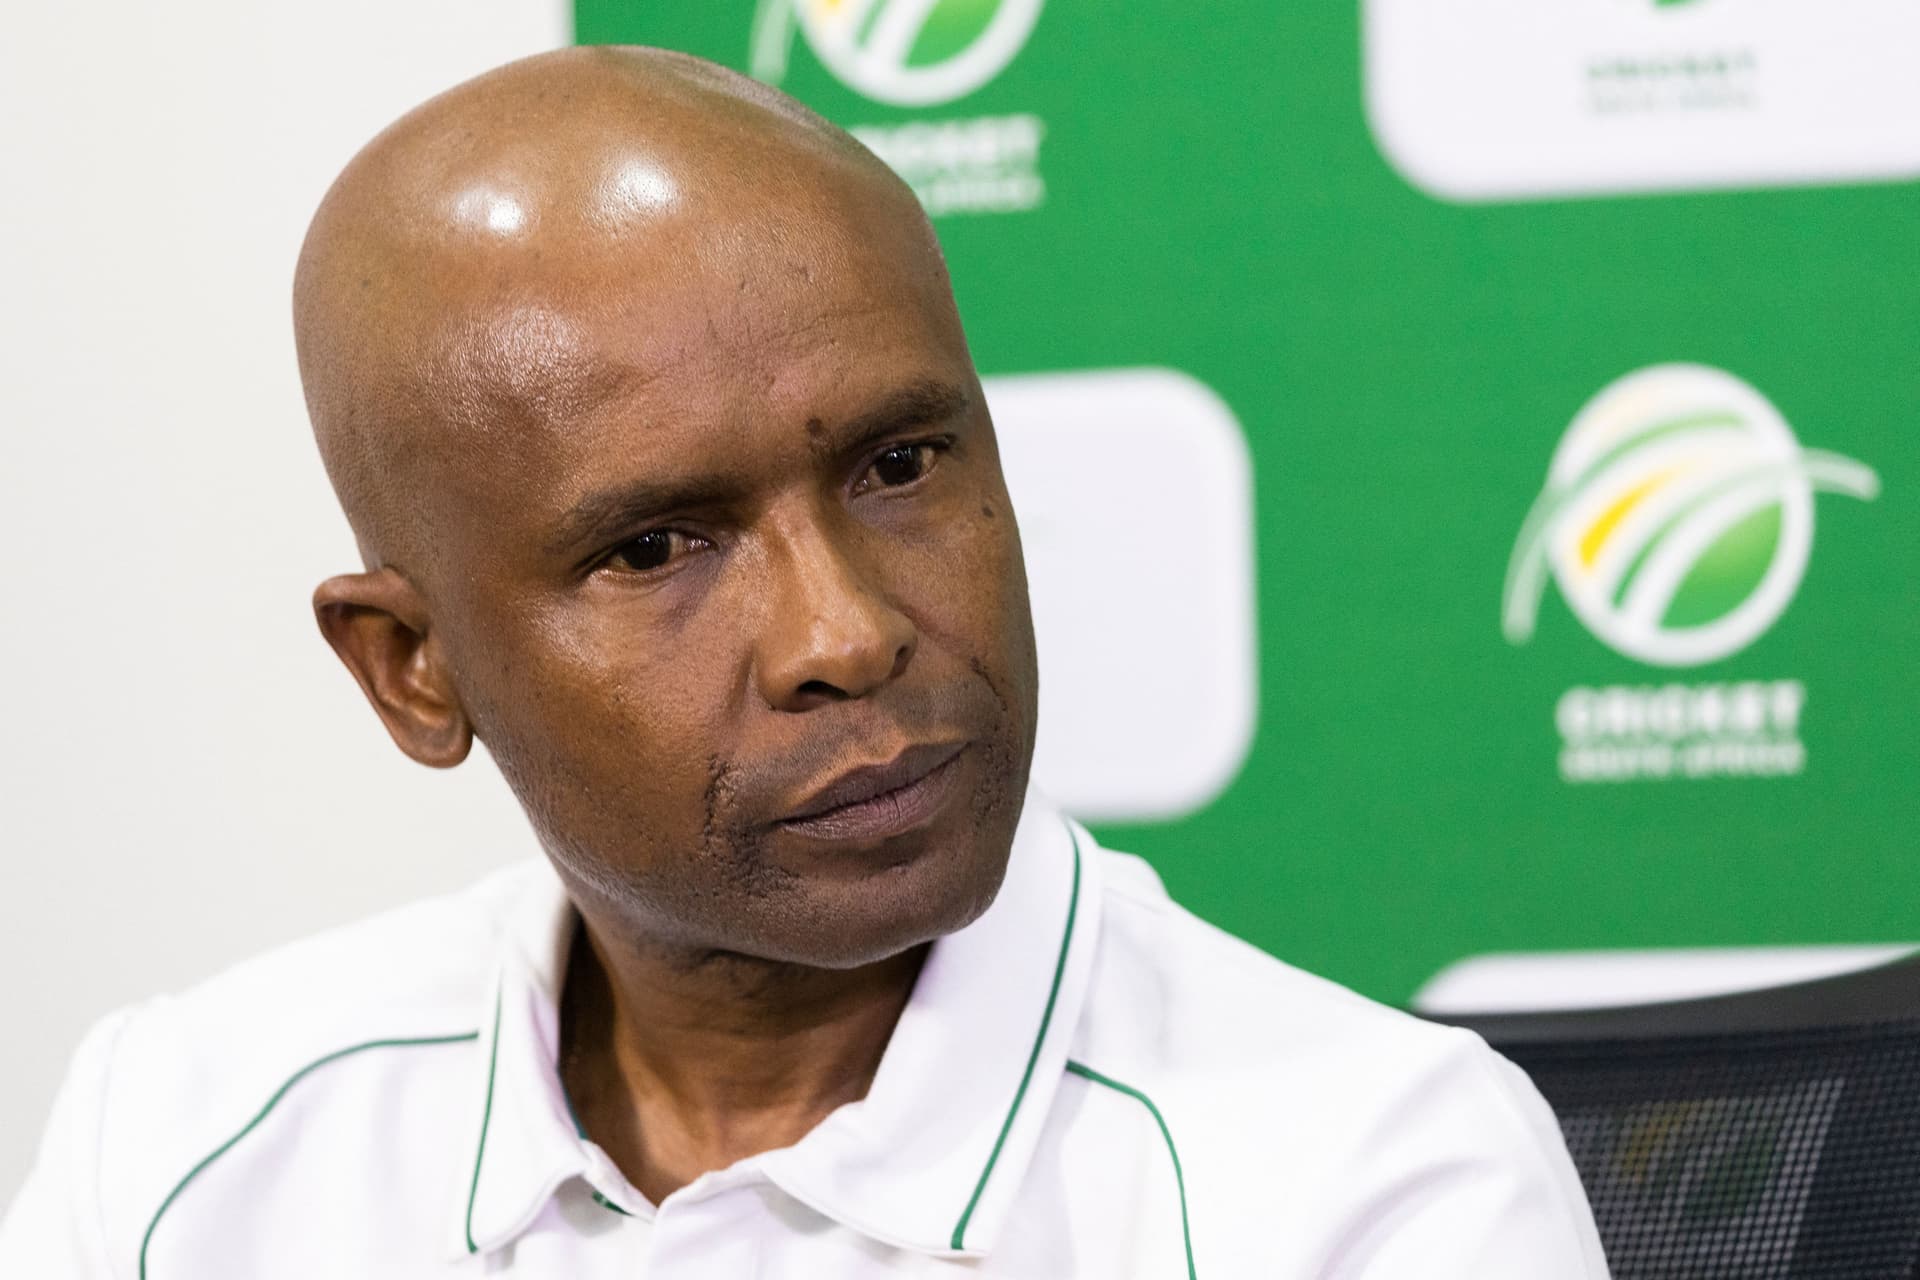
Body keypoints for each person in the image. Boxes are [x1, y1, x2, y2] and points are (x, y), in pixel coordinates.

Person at [0, 46, 1609, 1278]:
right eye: (656, 548)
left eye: (901, 465)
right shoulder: (185, 1151)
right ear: (412, 668)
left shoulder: (1369, 1186)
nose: (846, 632)